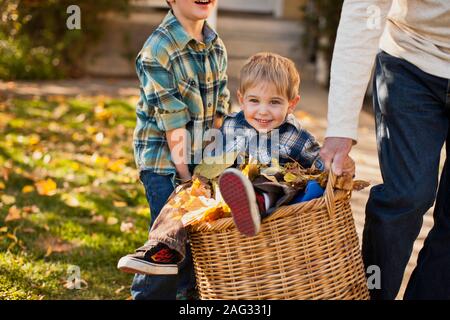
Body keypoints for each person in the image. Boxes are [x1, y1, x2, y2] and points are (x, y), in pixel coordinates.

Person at [117, 52, 355, 276]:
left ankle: (254, 202)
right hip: (223, 193)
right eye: (254, 101)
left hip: (269, 194)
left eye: (274, 102)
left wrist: (339, 169)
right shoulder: (230, 125)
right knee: (184, 195)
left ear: (292, 104)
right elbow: (211, 159)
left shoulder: (296, 137)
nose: (263, 111)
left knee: (278, 182)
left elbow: (320, 167)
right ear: (241, 99)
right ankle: (162, 246)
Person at [320, 0, 450, 299]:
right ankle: (370, 294)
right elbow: (363, 12)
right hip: (411, 60)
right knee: (405, 196)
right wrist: (341, 127)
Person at [129, 0, 230, 300]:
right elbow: (173, 125)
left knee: (196, 245)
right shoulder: (157, 49)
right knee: (169, 243)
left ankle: (188, 299)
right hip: (165, 163)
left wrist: (213, 164)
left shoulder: (216, 46)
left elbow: (220, 107)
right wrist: (186, 180)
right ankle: (146, 296)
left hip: (199, 162)